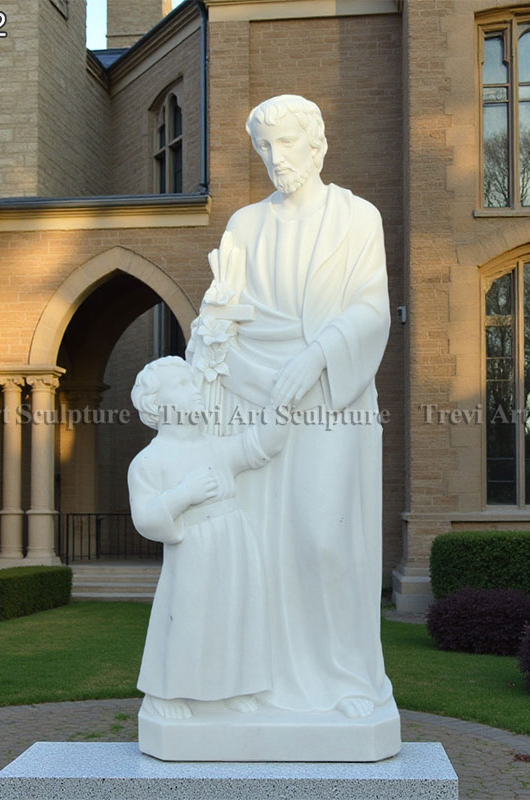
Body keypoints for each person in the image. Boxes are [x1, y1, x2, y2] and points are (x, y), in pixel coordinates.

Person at [187, 95, 394, 719]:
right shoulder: (244, 227)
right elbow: (218, 316)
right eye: (265, 147)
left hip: (330, 398)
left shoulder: (358, 219)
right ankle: (256, 680)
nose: (276, 158)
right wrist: (214, 324)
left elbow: (371, 311)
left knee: (323, 537)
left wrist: (317, 356)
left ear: (317, 145)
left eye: (286, 143)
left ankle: (347, 678)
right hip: (255, 397)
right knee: (257, 545)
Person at [127, 356, 288, 720]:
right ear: (157, 404)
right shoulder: (149, 461)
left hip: (234, 544)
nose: (195, 390)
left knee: (234, 616)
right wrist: (183, 494)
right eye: (182, 385)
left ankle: (229, 687)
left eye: (193, 382)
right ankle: (168, 693)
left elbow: (263, 445)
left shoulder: (216, 446)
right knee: (189, 620)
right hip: (194, 550)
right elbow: (146, 518)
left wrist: (281, 402)